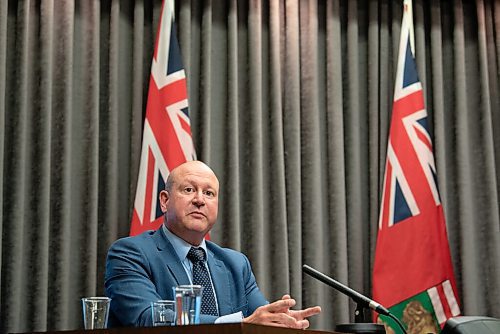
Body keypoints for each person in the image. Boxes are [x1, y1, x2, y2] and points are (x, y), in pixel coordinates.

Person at [105, 160, 321, 328]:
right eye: (189, 190)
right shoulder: (130, 253)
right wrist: (232, 325)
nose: (200, 199)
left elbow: (260, 318)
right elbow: (147, 317)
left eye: (209, 193)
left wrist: (280, 320)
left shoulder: (236, 264)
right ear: (164, 200)